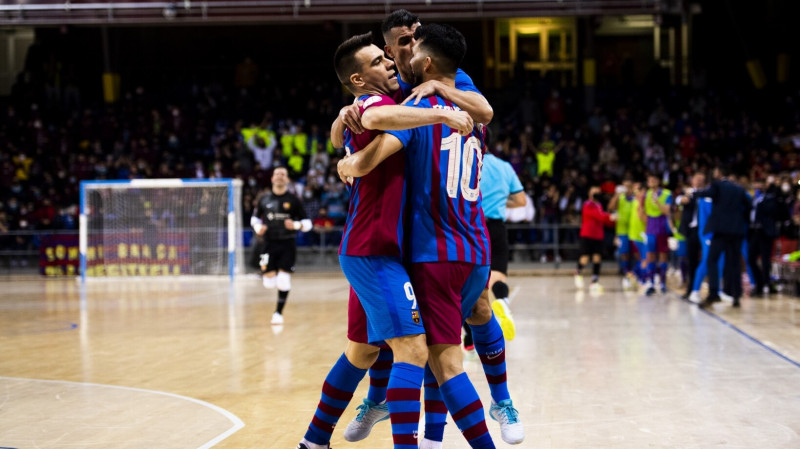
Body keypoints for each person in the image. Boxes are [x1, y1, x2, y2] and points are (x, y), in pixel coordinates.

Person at [336, 10, 523, 448]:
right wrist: (347, 120)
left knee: (439, 341)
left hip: (435, 239)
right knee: (404, 338)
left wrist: (351, 163)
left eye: (414, 40)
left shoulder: (432, 90)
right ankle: (384, 404)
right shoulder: (388, 89)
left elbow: (484, 111)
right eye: (401, 41)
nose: (409, 46)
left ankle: (491, 405)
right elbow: (352, 125)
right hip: (422, 239)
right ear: (387, 50)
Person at [297, 32, 473, 449]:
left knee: (361, 351)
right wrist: (442, 116)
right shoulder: (376, 104)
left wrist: (343, 130)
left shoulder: (397, 99)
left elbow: (345, 137)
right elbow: (375, 119)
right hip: (375, 250)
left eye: (388, 57)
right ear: (359, 80)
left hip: (376, 248)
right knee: (413, 350)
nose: (390, 63)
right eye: (379, 61)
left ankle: (314, 441)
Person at [468, 142, 527, 344]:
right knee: (498, 276)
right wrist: (503, 202)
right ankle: (502, 301)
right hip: (497, 227)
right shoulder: (505, 166)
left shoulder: (469, 161)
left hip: (472, 225)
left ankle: (469, 339)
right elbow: (521, 201)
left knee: (471, 283)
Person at [251, 166, 313, 325]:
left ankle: (278, 313)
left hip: (287, 243)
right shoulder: (264, 199)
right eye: (276, 174)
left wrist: (297, 225)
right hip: (268, 243)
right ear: (272, 178)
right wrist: (258, 228)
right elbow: (255, 219)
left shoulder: (294, 200)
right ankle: (272, 275)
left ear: (287, 179)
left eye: (283, 174)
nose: (279, 176)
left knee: (284, 280)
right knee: (268, 283)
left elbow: (308, 223)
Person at [693, 167, 751, 308]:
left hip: (720, 231)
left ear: (719, 174)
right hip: (736, 231)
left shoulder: (717, 185)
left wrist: (694, 194)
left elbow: (706, 193)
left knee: (712, 260)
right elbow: (749, 205)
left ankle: (714, 293)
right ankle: (736, 296)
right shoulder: (739, 188)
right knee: (735, 263)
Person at [574, 185, 616, 293]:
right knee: (585, 257)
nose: (596, 193)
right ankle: (578, 272)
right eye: (594, 192)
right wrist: (609, 217)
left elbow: (602, 219)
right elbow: (598, 216)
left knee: (597, 257)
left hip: (598, 235)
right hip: (587, 235)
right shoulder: (587, 205)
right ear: (589, 194)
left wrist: (611, 220)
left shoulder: (599, 205)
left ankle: (595, 280)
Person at [748, 177, 779, 297]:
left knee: (765, 260)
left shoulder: (770, 197)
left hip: (765, 232)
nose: (757, 186)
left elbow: (771, 211)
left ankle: (767, 284)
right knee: (751, 258)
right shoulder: (753, 198)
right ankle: (760, 282)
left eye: (760, 184)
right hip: (754, 231)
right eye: (756, 183)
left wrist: (760, 201)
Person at [677, 172, 706, 300]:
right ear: (692, 180)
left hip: (705, 231)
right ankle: (690, 289)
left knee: (706, 260)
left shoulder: (707, 193)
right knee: (691, 260)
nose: (699, 181)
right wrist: (683, 198)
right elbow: (679, 200)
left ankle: (704, 289)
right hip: (692, 230)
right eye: (696, 179)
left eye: (701, 179)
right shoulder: (688, 192)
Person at [643, 173, 673, 295]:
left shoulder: (667, 193)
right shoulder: (646, 194)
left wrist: (657, 202)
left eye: (654, 179)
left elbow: (666, 211)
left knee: (663, 256)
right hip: (650, 228)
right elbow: (643, 211)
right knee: (650, 256)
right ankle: (651, 283)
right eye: (649, 180)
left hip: (662, 228)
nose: (652, 182)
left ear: (658, 181)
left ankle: (662, 283)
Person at [608, 179, 636, 290]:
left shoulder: (636, 198)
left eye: (628, 186)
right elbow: (610, 208)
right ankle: (626, 274)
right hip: (622, 231)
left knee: (635, 253)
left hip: (635, 230)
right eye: (624, 186)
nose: (626, 188)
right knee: (624, 253)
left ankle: (634, 274)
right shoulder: (620, 198)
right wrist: (616, 195)